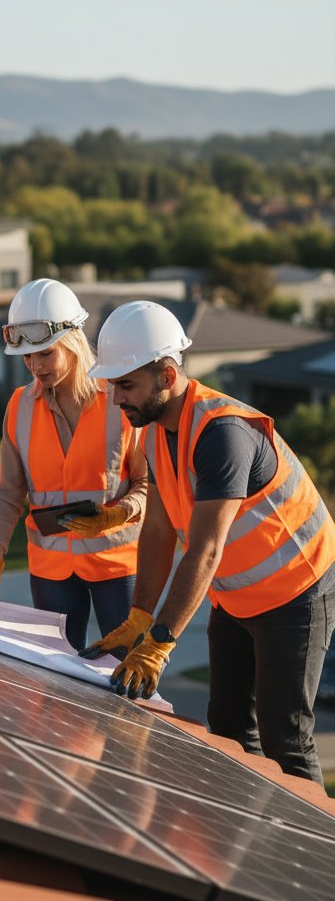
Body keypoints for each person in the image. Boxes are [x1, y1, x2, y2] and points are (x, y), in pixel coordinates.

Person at [84, 300, 335, 784]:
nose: (117, 399)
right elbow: (157, 531)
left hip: (296, 593)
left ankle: (314, 853)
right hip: (236, 597)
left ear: (167, 375)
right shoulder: (157, 430)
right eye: (114, 385)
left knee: (287, 738)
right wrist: (140, 616)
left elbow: (205, 549)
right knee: (228, 730)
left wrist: (160, 642)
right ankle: (251, 836)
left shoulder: (223, 434)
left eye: (127, 385)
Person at [0, 279, 147, 651]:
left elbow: (148, 484)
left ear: (72, 341)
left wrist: (115, 516)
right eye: (27, 357)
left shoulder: (119, 401)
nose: (35, 366)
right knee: (58, 682)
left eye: (45, 354)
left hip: (118, 567)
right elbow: (8, 492)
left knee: (124, 671)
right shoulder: (19, 406)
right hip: (50, 570)